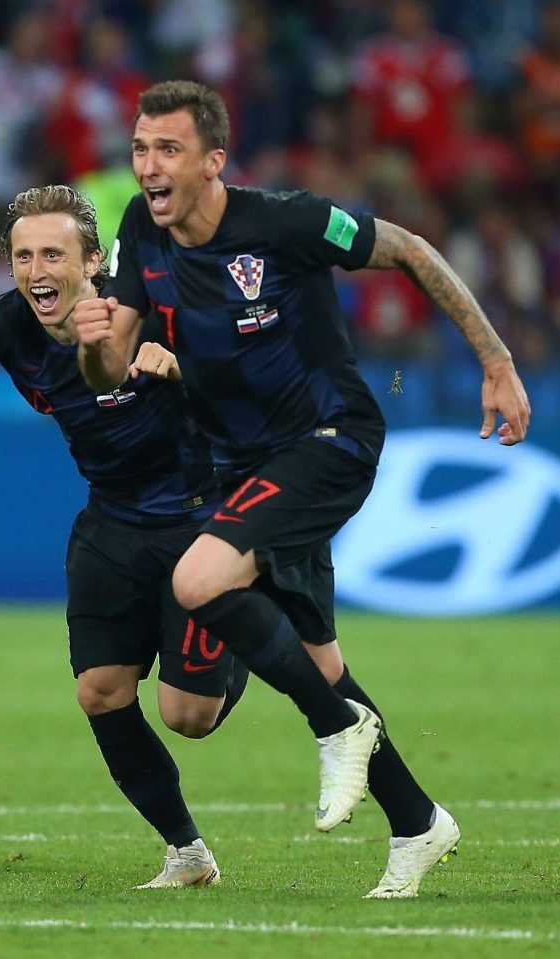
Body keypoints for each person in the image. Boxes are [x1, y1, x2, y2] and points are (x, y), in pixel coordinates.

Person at [73, 80, 531, 899]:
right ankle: (419, 821)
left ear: (213, 162)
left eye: (168, 149)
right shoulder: (140, 229)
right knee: (295, 668)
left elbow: (414, 252)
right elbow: (110, 364)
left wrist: (494, 362)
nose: (148, 166)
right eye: (141, 149)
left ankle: (336, 729)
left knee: (198, 578)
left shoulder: (283, 221)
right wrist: (97, 345)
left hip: (329, 439)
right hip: (239, 469)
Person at [0, 183, 252, 890]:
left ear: (92, 260)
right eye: (23, 256)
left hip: (198, 519)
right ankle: (187, 854)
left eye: (52, 253)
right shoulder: (8, 323)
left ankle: (253, 623)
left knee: (189, 716)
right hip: (112, 518)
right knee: (101, 692)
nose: (36, 271)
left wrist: (185, 367)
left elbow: (248, 381)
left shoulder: (147, 308)